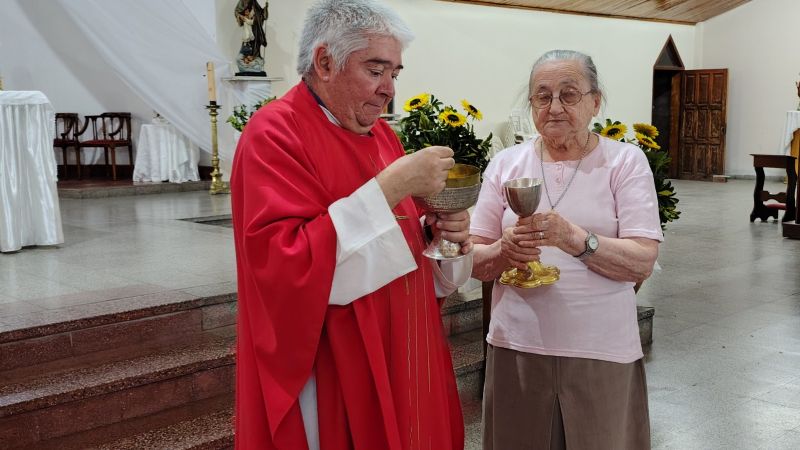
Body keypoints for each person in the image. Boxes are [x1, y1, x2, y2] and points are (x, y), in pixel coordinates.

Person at [230, 1, 472, 449]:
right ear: (324, 62)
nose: (388, 90)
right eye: (376, 70)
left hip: (405, 347)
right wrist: (391, 185)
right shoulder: (274, 133)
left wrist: (439, 235)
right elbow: (285, 267)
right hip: (335, 363)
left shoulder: (383, 134)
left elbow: (401, 245)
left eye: (395, 74)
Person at [470, 49, 663, 450]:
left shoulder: (624, 162)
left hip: (600, 349)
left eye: (569, 94)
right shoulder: (506, 164)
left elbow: (642, 259)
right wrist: (505, 251)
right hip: (516, 347)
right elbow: (473, 259)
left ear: (595, 101)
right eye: (542, 96)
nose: (554, 106)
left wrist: (577, 241)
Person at [234, 0, 268, 71]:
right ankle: (247, 62)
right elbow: (237, 12)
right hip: (247, 34)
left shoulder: (254, 2)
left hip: (255, 31)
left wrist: (265, 9)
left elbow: (261, 13)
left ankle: (253, 60)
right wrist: (240, 16)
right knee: (246, 46)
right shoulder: (242, 1)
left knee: (254, 46)